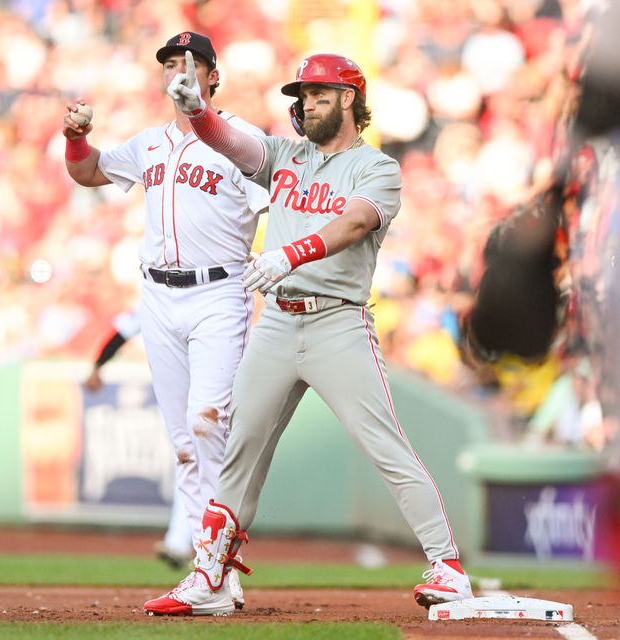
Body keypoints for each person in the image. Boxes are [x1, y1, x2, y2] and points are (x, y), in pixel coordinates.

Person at [143, 52, 473, 616]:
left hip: (337, 321)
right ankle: (211, 577)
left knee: (383, 443)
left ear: (349, 98)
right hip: (277, 321)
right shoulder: (286, 154)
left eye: (319, 92)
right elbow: (231, 143)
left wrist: (289, 254)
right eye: (302, 94)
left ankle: (447, 566)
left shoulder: (377, 167)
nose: (307, 102)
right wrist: (198, 114)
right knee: (240, 448)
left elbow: (355, 223)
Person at [62, 32, 271, 609]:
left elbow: (277, 203)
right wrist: (77, 139)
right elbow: (88, 173)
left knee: (208, 425)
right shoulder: (149, 144)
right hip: (157, 296)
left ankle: (215, 560)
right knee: (183, 441)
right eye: (171, 62)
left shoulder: (242, 140)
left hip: (218, 292)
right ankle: (213, 569)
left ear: (212, 77)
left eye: (191, 62)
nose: (179, 70)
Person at [84, 308, 193, 569]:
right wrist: (98, 364)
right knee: (191, 464)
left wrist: (98, 365)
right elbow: (123, 331)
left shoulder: (213, 292)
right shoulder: (158, 294)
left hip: (214, 395)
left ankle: (194, 544)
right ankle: (184, 543)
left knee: (200, 467)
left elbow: (122, 331)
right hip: (186, 397)